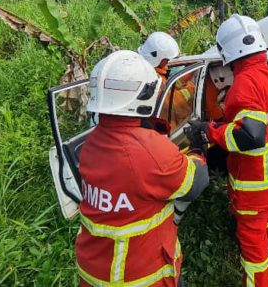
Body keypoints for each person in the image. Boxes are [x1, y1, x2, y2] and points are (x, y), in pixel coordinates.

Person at [76, 50, 209, 287]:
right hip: (141, 276)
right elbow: (196, 182)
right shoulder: (150, 151)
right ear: (145, 94)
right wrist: (198, 152)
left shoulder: (90, 145)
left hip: (92, 271)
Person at [187, 14, 268, 287]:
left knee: (254, 253)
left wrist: (209, 130)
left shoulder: (244, 84)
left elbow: (250, 135)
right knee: (263, 228)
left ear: (227, 52)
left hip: (254, 187)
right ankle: (263, 244)